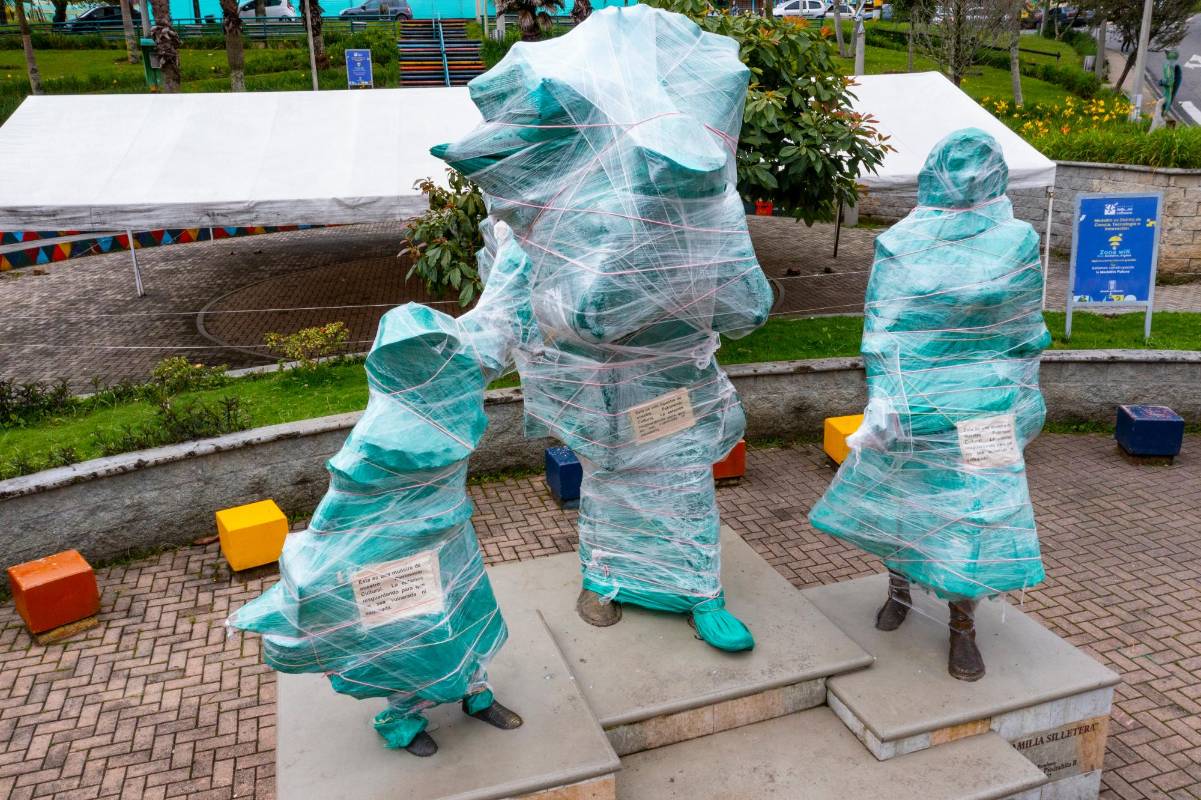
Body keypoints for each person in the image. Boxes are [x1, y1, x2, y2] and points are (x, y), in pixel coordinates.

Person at [809, 128, 1051, 681]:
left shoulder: (1016, 241)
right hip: (914, 405)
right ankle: (898, 589)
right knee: (903, 503)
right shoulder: (900, 241)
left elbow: (1023, 330)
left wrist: (1026, 393)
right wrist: (882, 398)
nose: (967, 179)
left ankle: (961, 626)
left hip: (986, 404)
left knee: (977, 515)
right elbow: (882, 327)